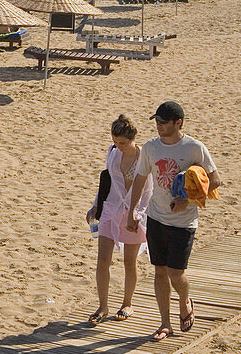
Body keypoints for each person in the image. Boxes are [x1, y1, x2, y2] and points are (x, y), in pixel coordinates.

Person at [126, 101, 221, 341]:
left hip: (184, 221)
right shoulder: (150, 148)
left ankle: (184, 300)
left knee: (176, 273)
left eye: (163, 122)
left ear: (178, 123)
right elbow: (140, 179)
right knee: (159, 271)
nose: (158, 125)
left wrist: (187, 200)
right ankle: (165, 323)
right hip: (156, 216)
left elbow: (215, 180)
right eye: (156, 121)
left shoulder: (194, 148)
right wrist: (132, 211)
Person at [87, 114, 151, 325]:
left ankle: (127, 303)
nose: (118, 146)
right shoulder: (113, 153)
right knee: (103, 259)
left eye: (122, 143)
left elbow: (148, 191)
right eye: (115, 142)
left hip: (134, 214)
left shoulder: (144, 157)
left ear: (133, 138)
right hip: (111, 210)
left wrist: (138, 214)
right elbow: (106, 181)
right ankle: (102, 306)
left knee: (129, 261)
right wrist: (96, 205)